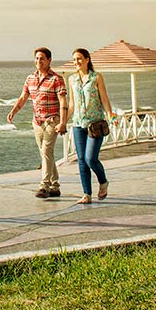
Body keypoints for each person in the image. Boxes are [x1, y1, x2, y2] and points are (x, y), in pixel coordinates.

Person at [6, 47, 67, 198]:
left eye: (42, 59)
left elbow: (63, 101)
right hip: (37, 122)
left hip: (52, 120)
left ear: (49, 60)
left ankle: (44, 185)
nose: (39, 61)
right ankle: (55, 186)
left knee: (46, 151)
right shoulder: (30, 79)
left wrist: (63, 122)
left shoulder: (56, 79)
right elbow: (23, 97)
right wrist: (14, 111)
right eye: (37, 58)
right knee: (46, 153)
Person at [67, 48, 113, 204]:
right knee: (81, 160)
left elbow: (104, 99)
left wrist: (111, 115)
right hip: (78, 124)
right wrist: (63, 122)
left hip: (95, 124)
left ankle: (103, 181)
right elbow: (72, 104)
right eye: (74, 59)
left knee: (90, 158)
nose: (76, 62)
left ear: (87, 59)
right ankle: (86, 194)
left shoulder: (96, 77)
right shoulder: (72, 79)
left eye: (79, 58)